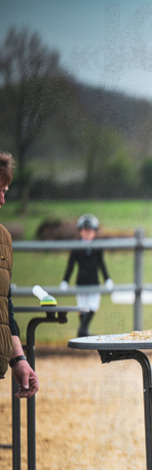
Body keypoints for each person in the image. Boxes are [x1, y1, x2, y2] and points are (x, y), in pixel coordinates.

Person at [0, 151, 40, 399]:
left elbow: (5, 304)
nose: (2, 200)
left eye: (4, 191)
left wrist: (19, 359)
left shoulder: (4, 239)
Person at [60, 213, 113, 337]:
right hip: (81, 281)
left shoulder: (97, 246)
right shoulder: (77, 246)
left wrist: (107, 279)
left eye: (90, 231)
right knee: (82, 307)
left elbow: (101, 264)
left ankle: (83, 330)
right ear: (80, 232)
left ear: (94, 232)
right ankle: (83, 331)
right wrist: (65, 280)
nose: (88, 234)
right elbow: (71, 264)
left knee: (93, 306)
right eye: (85, 231)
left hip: (94, 281)